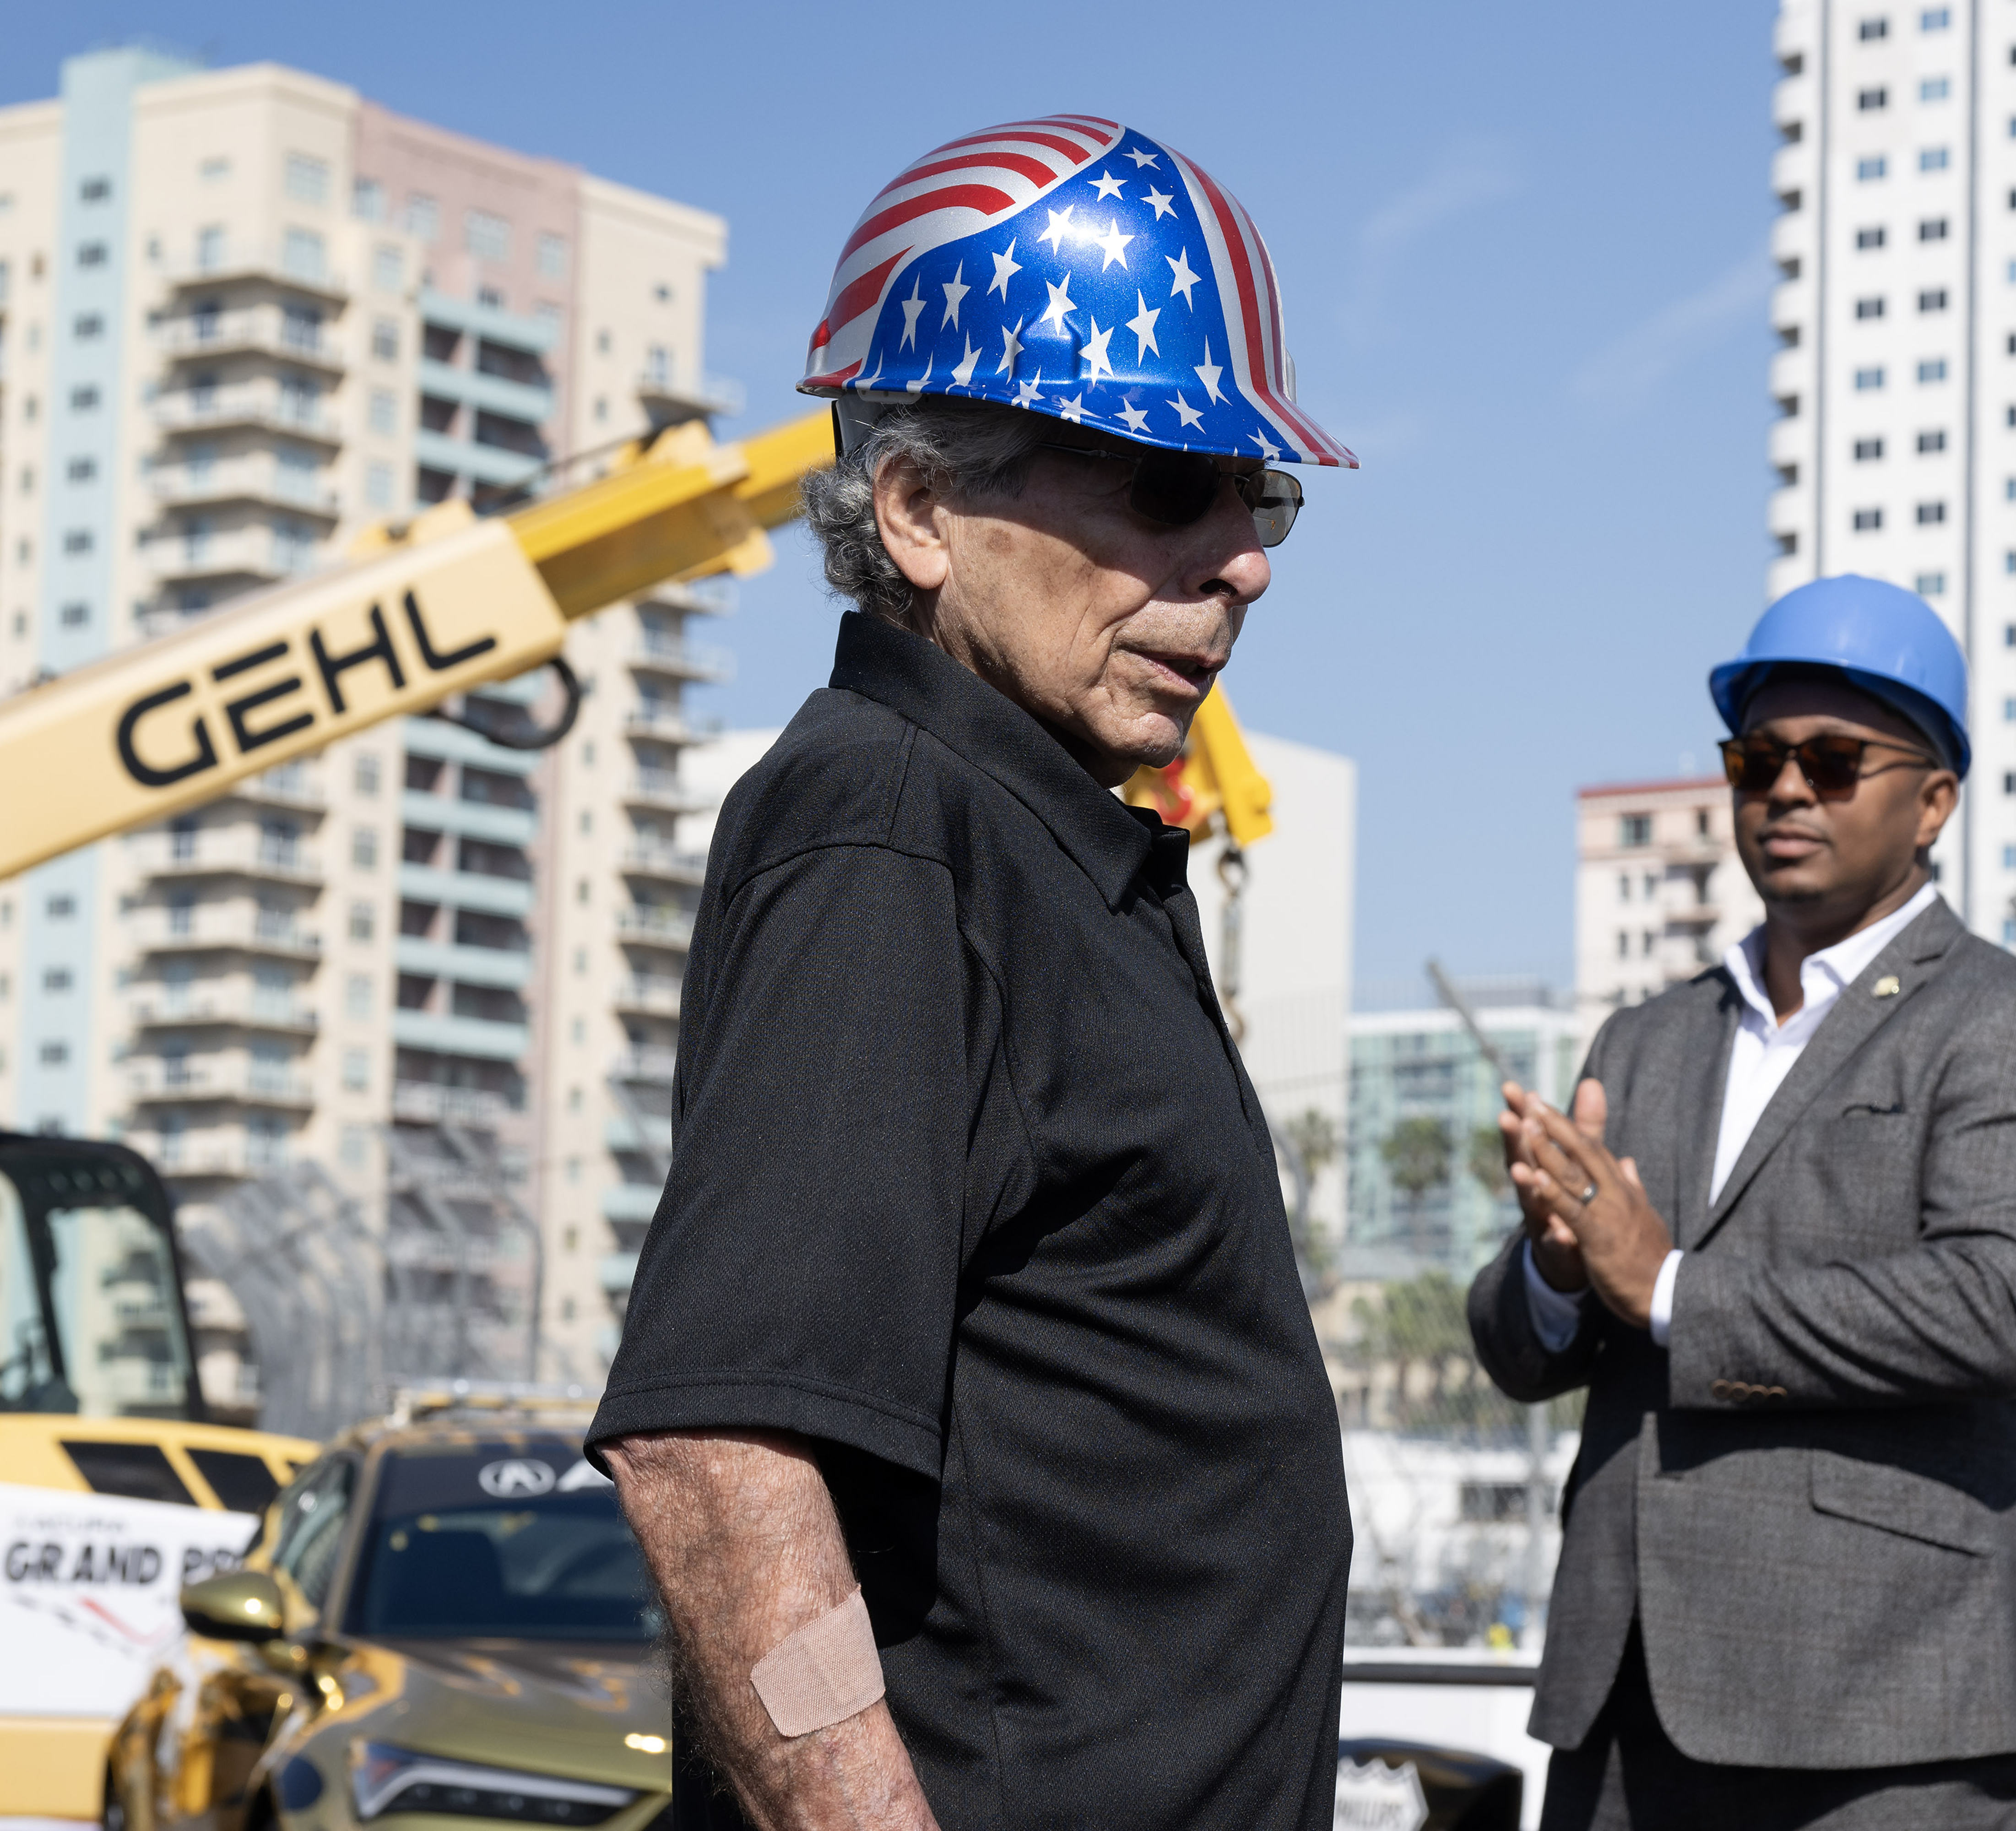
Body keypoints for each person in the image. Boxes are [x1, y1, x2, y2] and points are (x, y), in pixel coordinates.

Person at [586, 116, 1357, 1831]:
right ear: (923, 509)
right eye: (1169, 482)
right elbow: (717, 1458)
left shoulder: (1050, 844)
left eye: (1262, 494)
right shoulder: (887, 827)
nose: (1239, 557)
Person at [1469, 575, 2016, 1831]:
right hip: (1629, 1692)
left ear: (1935, 800)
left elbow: (1995, 1308)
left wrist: (1665, 1289)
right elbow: (1526, 1340)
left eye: (1833, 760)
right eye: (1757, 757)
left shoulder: (2015, 1025)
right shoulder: (1647, 1037)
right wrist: (1558, 1270)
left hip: (1883, 1702)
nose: (1784, 789)